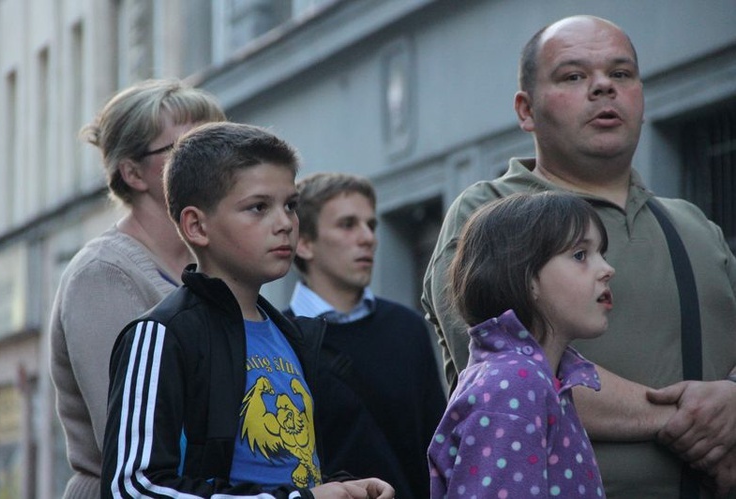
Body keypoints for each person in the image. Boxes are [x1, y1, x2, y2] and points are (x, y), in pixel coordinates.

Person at [421, 14, 736, 498]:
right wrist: (702, 422)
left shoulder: (694, 225)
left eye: (622, 74)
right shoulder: (491, 214)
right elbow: (512, 370)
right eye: (574, 76)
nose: (603, 88)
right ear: (526, 110)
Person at [101, 122, 395, 499]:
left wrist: (344, 487)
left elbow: (293, 471)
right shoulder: (162, 335)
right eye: (258, 208)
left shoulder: (292, 335)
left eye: (290, 205)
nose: (285, 223)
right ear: (196, 226)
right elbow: (132, 489)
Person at [49, 79, 226, 498]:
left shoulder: (214, 266)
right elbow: (134, 438)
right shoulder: (103, 274)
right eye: (187, 147)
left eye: (218, 141)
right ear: (132, 172)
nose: (218, 161)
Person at [429, 191, 616, 498]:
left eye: (601, 253)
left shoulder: (538, 378)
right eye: (580, 255)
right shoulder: (512, 385)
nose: (607, 269)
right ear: (526, 278)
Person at [284, 172, 446, 499]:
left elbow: (439, 449)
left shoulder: (407, 328)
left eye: (370, 225)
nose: (367, 237)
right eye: (347, 224)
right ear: (304, 243)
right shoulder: (280, 339)